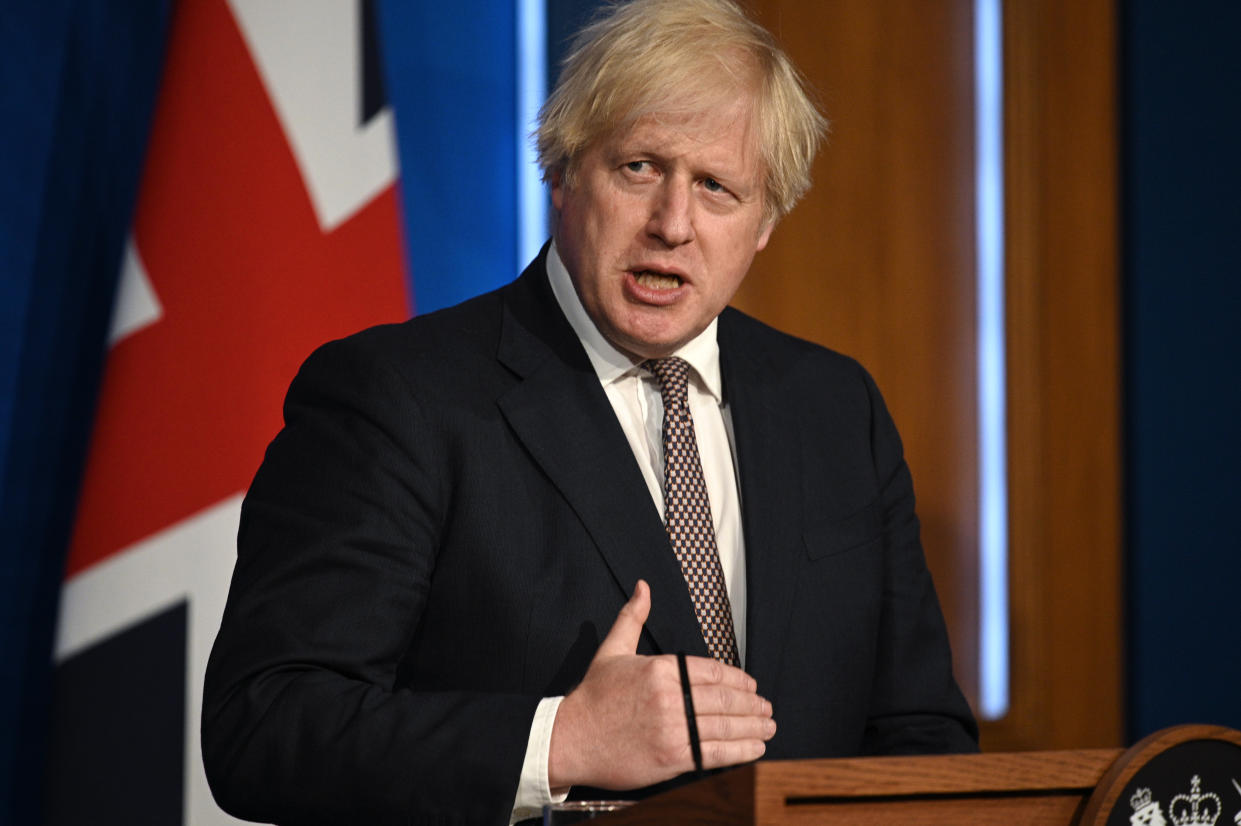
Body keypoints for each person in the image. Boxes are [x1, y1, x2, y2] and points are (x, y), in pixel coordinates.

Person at [202, 0, 979, 823]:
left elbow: (917, 734)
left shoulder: (834, 409)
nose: (672, 225)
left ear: (765, 223)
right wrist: (558, 741)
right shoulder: (400, 398)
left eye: (717, 187)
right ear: (564, 172)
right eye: (639, 167)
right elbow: (265, 726)